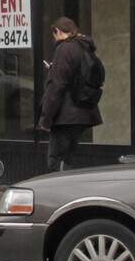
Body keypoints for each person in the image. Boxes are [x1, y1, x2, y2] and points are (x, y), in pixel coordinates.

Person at [37, 17, 101, 171]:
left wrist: (46, 119)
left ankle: (58, 185)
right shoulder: (85, 46)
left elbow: (57, 86)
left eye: (54, 35)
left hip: (65, 115)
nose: (55, 39)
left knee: (56, 160)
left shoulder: (64, 49)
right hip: (84, 111)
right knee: (69, 158)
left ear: (58, 31)